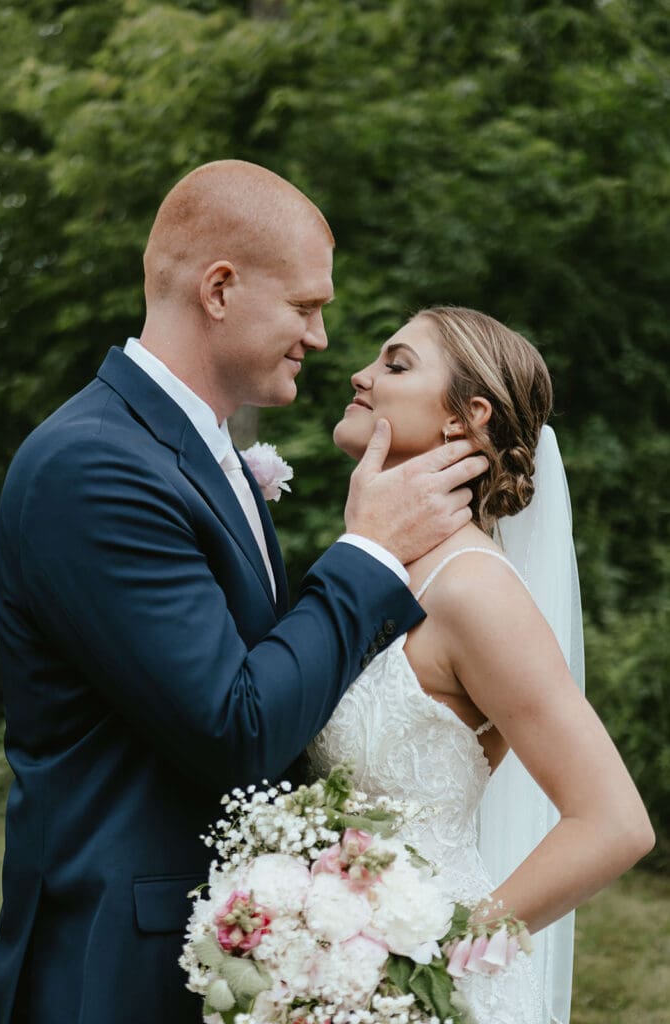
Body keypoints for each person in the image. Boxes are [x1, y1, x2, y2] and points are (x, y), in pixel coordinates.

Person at [0, 164, 488, 1024]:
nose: (323, 337)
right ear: (219, 289)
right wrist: (369, 550)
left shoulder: (202, 454)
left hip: (228, 951)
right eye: (305, 307)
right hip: (117, 969)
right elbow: (238, 726)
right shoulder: (94, 467)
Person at [309, 305, 654, 1024]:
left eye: (395, 365)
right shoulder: (375, 567)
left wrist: (430, 961)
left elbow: (613, 822)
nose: (359, 375)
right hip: (327, 961)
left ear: (464, 419)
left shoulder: (473, 589)